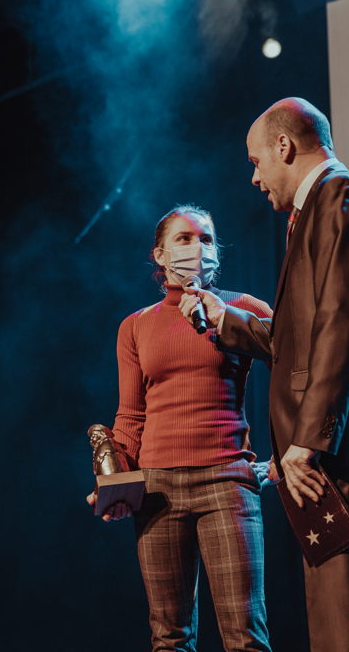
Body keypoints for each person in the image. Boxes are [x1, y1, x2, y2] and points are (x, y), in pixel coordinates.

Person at [179, 99, 349, 652]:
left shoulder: (343, 197)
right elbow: (304, 337)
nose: (254, 178)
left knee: (345, 623)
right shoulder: (328, 204)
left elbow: (344, 323)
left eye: (256, 162)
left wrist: (309, 441)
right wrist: (227, 322)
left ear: (284, 146)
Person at [86, 204, 274, 652]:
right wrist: (115, 483)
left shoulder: (242, 307)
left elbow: (296, 367)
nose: (197, 248)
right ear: (159, 254)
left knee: (245, 636)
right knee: (169, 639)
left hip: (226, 482)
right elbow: (131, 416)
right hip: (157, 489)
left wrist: (285, 457)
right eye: (184, 239)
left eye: (206, 239)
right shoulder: (136, 326)